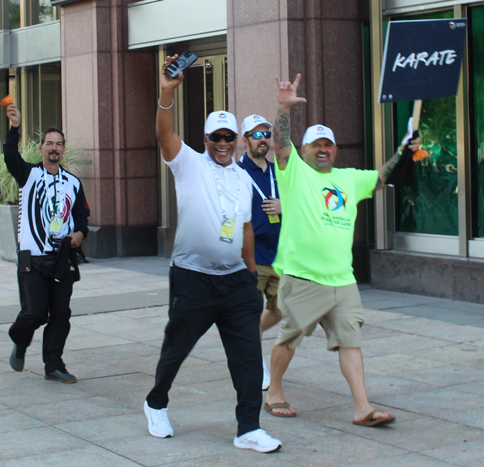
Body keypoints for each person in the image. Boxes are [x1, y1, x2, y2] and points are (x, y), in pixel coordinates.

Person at [143, 55, 281, 453]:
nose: (222, 144)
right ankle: (155, 402)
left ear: (237, 140)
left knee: (247, 357)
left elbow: (244, 230)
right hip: (193, 277)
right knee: (177, 348)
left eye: (228, 138)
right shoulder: (188, 164)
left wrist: (252, 277)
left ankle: (248, 429)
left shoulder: (242, 179)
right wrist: (167, 93)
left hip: (236, 279)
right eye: (215, 138)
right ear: (205, 141)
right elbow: (164, 134)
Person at [265, 74, 418, 424]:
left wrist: (404, 147)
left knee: (351, 342)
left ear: (335, 149)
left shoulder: (349, 178)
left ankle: (363, 407)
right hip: (302, 276)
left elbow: (382, 176)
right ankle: (274, 390)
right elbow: (280, 143)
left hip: (342, 281)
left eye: (328, 144)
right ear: (304, 150)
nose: (322, 149)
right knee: (289, 338)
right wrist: (284, 107)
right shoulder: (294, 172)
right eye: (316, 144)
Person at [5, 103, 90, 384]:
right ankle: (19, 338)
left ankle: (53, 364)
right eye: (49, 143)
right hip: (32, 258)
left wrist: (79, 234)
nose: (54, 148)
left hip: (61, 260)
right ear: (41, 148)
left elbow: (81, 218)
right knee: (34, 312)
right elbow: (10, 157)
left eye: (59, 144)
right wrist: (14, 129)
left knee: (61, 315)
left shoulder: (73, 183)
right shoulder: (28, 176)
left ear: (63, 150)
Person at [238, 114, 283, 390]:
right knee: (251, 312)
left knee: (282, 310)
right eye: (256, 135)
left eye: (266, 133)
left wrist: (284, 206)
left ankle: (251, 335)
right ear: (245, 141)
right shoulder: (237, 172)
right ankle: (259, 365)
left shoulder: (279, 170)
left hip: (280, 254)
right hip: (252, 256)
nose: (263, 139)